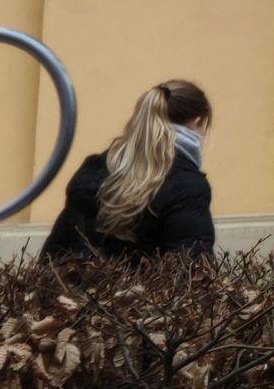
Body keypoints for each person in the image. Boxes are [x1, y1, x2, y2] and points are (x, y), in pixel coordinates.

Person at [42, 81, 215, 261]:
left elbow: (57, 253)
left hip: (80, 278)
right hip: (146, 281)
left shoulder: (96, 167)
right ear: (196, 122)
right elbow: (192, 266)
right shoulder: (188, 185)